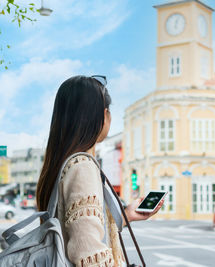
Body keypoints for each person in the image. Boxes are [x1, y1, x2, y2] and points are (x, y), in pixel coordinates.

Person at [36, 75, 164, 266]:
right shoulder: (82, 167)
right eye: (108, 111)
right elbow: (88, 253)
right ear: (102, 116)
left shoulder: (59, 165)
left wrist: (125, 215)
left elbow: (76, 226)